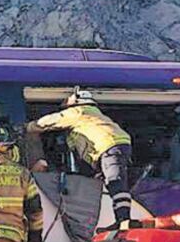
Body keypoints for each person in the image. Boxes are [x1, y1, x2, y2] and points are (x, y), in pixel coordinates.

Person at [26, 89, 133, 226]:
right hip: (112, 147)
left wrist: (28, 127)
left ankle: (123, 220)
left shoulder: (78, 111)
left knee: (115, 182)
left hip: (108, 146)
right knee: (113, 180)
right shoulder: (92, 115)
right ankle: (122, 218)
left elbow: (52, 120)